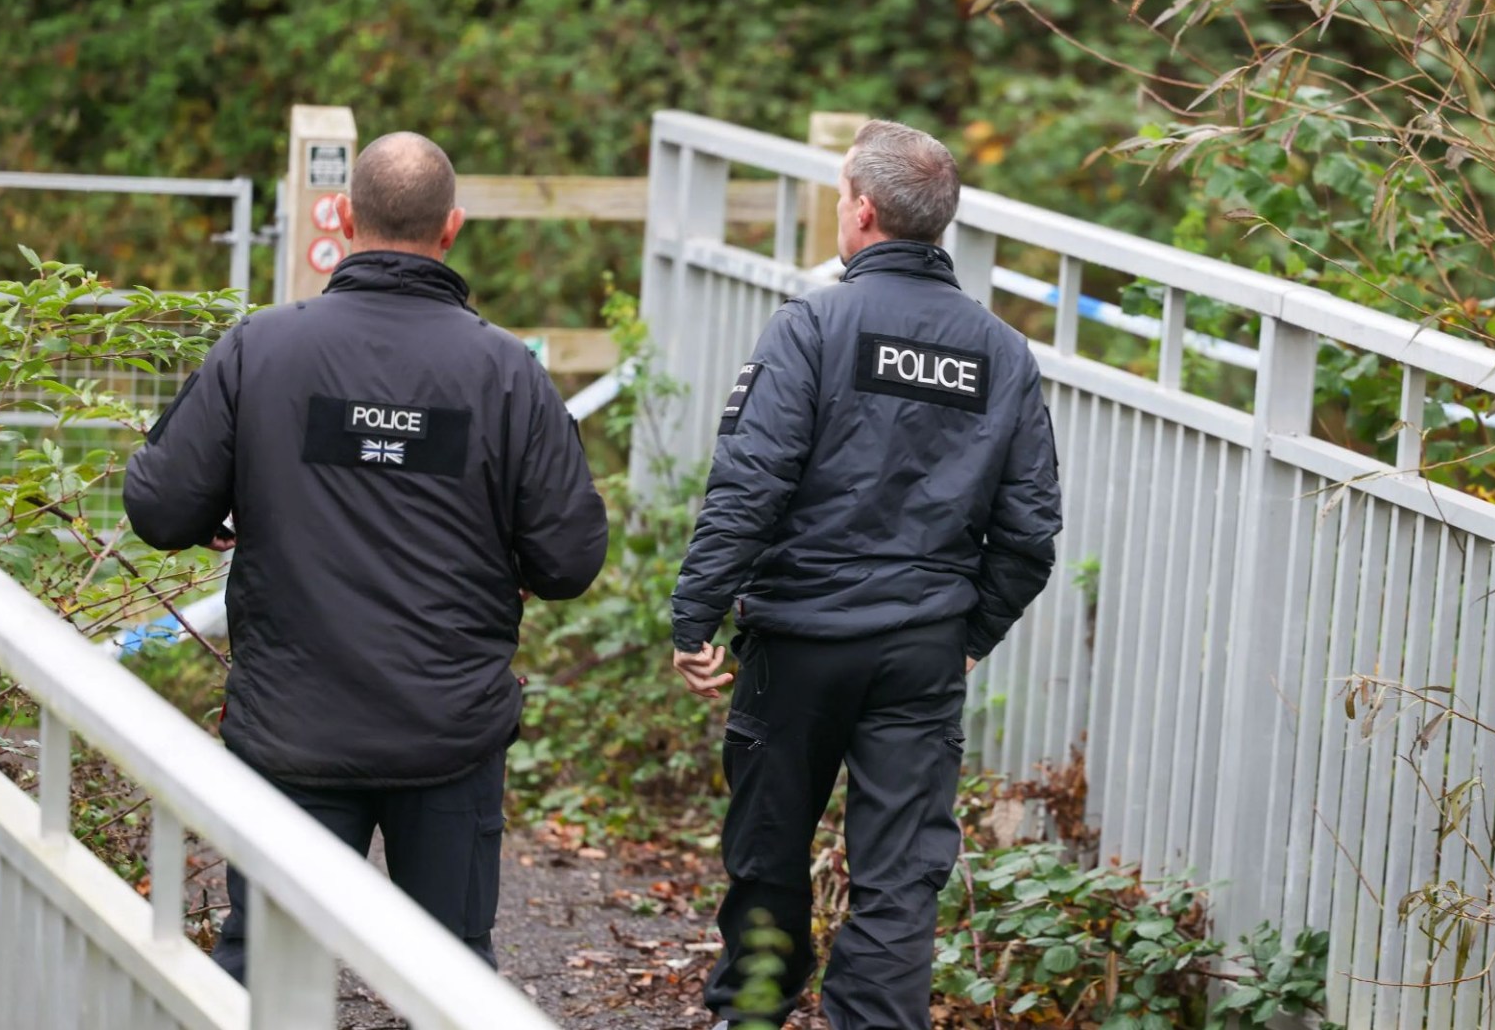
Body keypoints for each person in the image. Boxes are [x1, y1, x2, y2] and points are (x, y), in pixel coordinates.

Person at [123, 131, 609, 980]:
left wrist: (229, 495)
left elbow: (161, 506)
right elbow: (569, 556)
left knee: (268, 971)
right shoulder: (507, 373)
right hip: (448, 735)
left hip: (291, 731)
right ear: (451, 229)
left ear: (347, 217)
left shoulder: (259, 350)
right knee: (448, 977)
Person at [670, 119, 1063, 1030]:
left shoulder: (813, 327)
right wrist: (965, 637)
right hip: (919, 653)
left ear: (864, 211)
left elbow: (749, 486)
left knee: (769, 851)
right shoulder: (1001, 353)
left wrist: (695, 618)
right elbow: (1031, 530)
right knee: (899, 876)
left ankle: (755, 1014)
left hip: (799, 646)